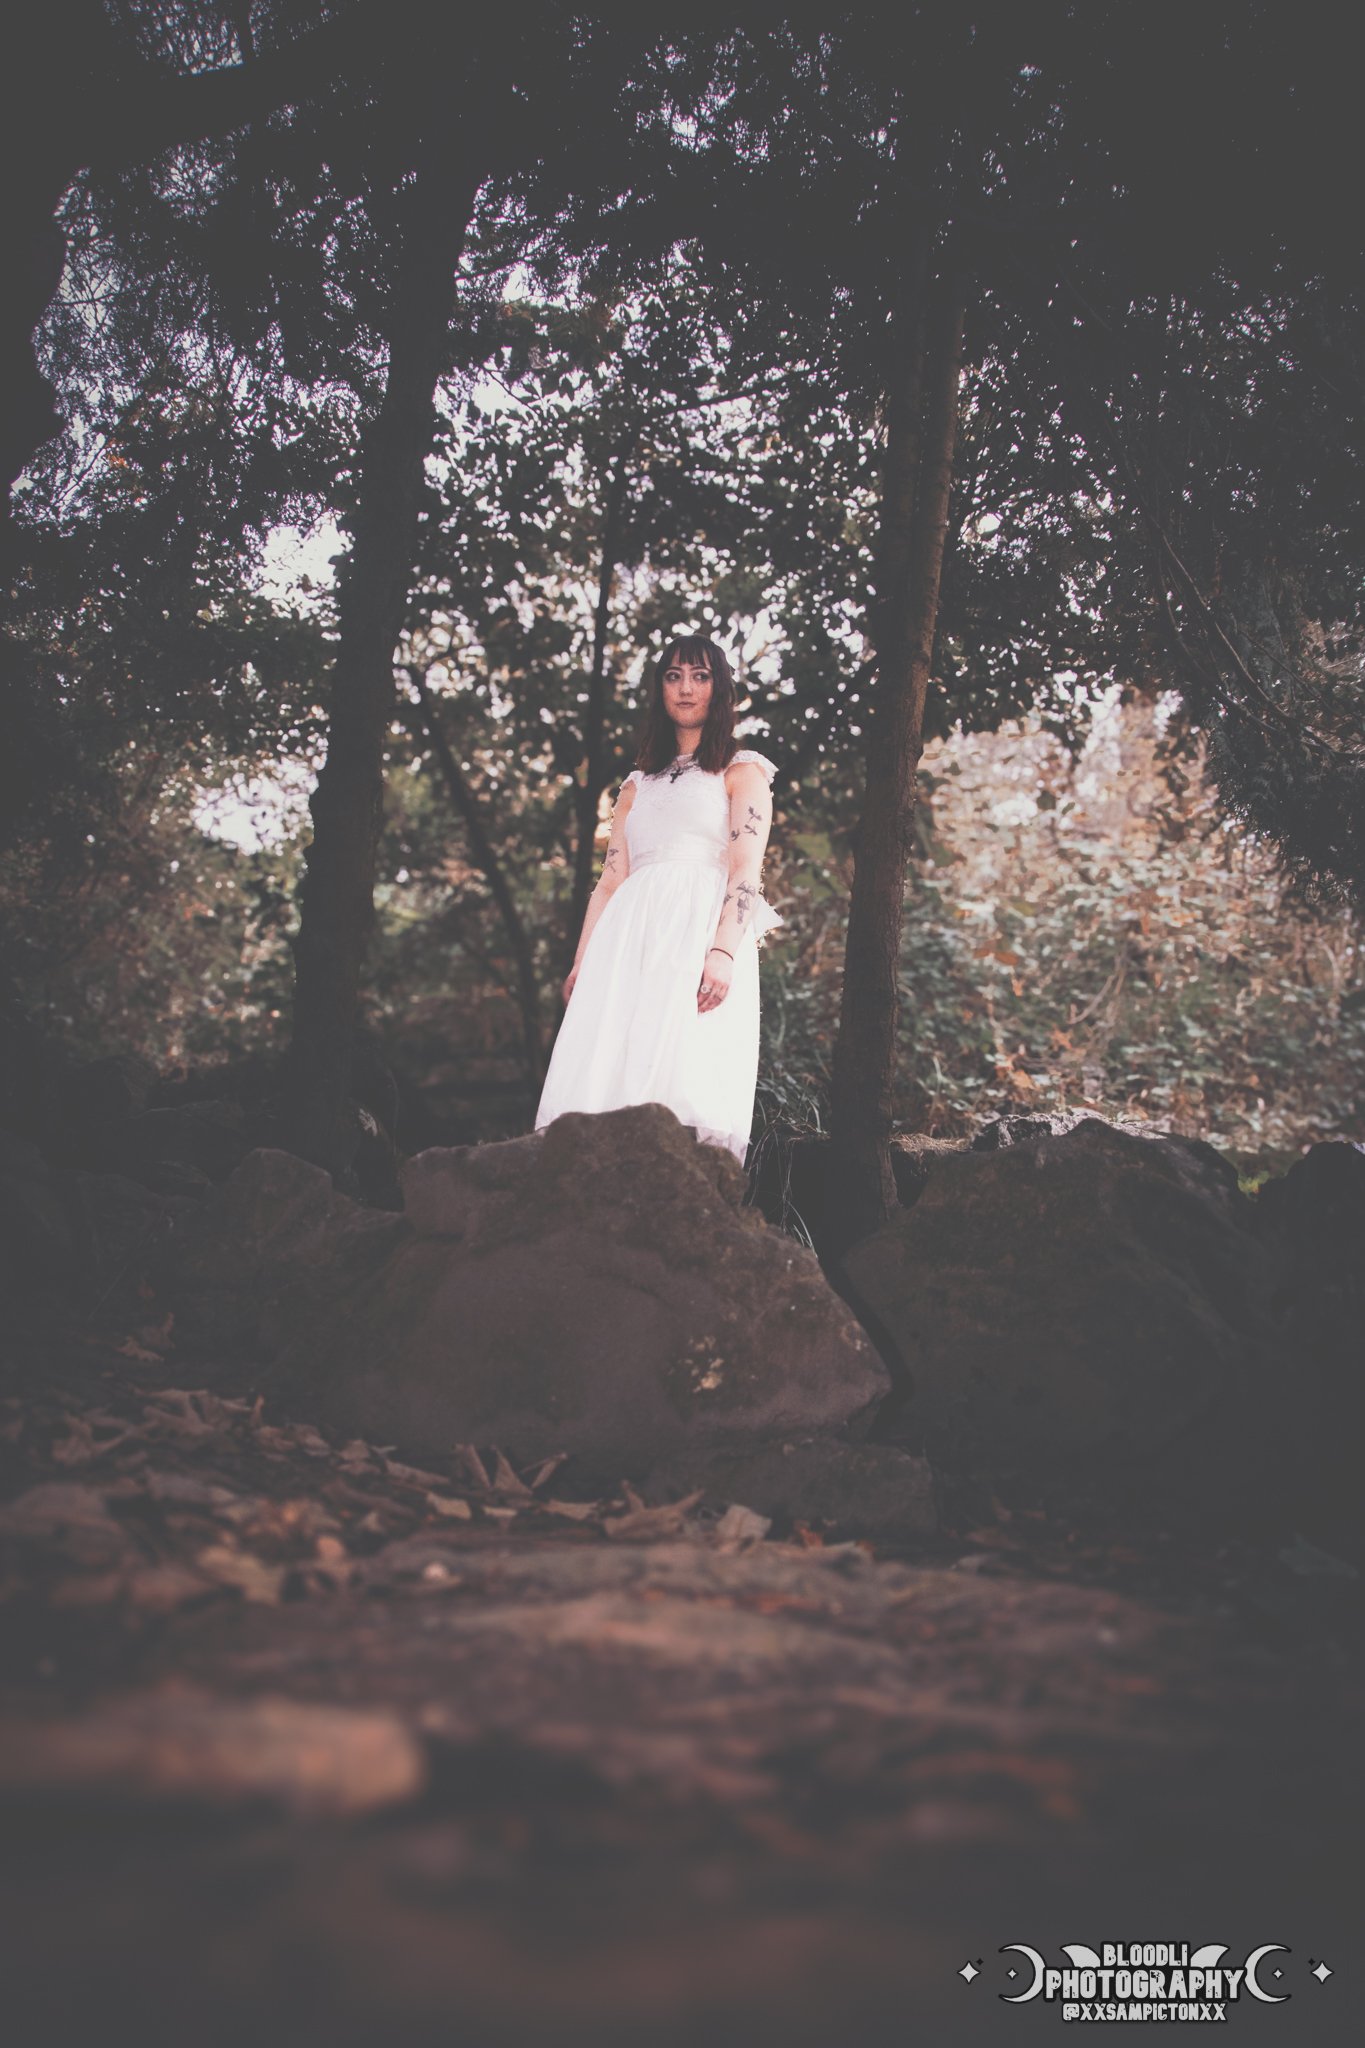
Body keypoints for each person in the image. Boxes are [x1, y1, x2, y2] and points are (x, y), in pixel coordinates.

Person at [533, 634, 783, 1167]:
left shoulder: (743, 772)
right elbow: (610, 879)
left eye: (699, 676)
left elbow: (745, 869)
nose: (686, 688)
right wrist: (582, 961)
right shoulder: (637, 785)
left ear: (719, 687)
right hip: (627, 940)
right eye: (673, 676)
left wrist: (723, 951)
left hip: (696, 935)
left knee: (685, 1073)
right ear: (659, 690)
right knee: (609, 1075)